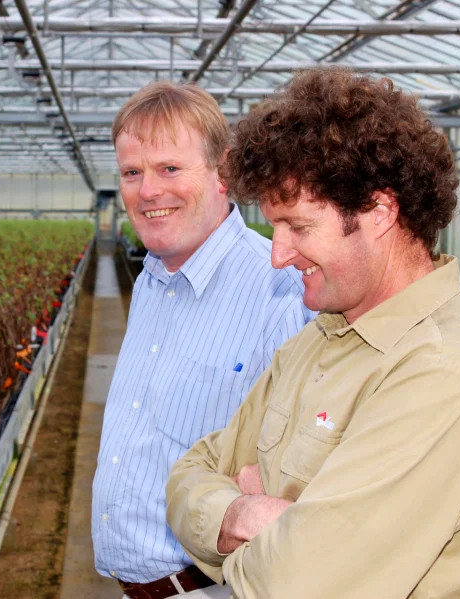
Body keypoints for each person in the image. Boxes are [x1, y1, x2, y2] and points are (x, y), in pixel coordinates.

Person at [165, 68, 460, 598]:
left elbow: (297, 583)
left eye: (299, 226)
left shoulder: (445, 369)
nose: (277, 255)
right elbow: (188, 474)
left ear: (379, 212)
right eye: (273, 226)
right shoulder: (318, 339)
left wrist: (240, 525)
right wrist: (245, 515)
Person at [92, 81, 314, 599]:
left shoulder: (283, 292)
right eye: (131, 173)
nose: (148, 191)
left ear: (223, 171)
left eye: (170, 168)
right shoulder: (152, 280)